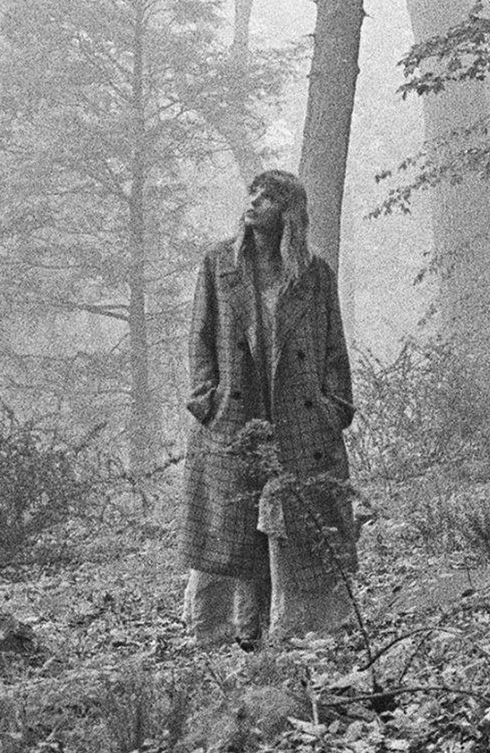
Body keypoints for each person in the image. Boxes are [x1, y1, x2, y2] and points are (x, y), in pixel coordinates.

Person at [179, 170, 357, 647]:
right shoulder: (218, 264)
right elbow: (200, 336)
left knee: (299, 515)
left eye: (268, 197)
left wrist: (334, 407)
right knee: (230, 521)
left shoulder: (314, 274)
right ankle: (231, 627)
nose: (254, 201)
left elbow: (334, 347)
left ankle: (299, 623)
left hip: (299, 416)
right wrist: (206, 399)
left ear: (289, 213)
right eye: (252, 193)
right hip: (234, 412)